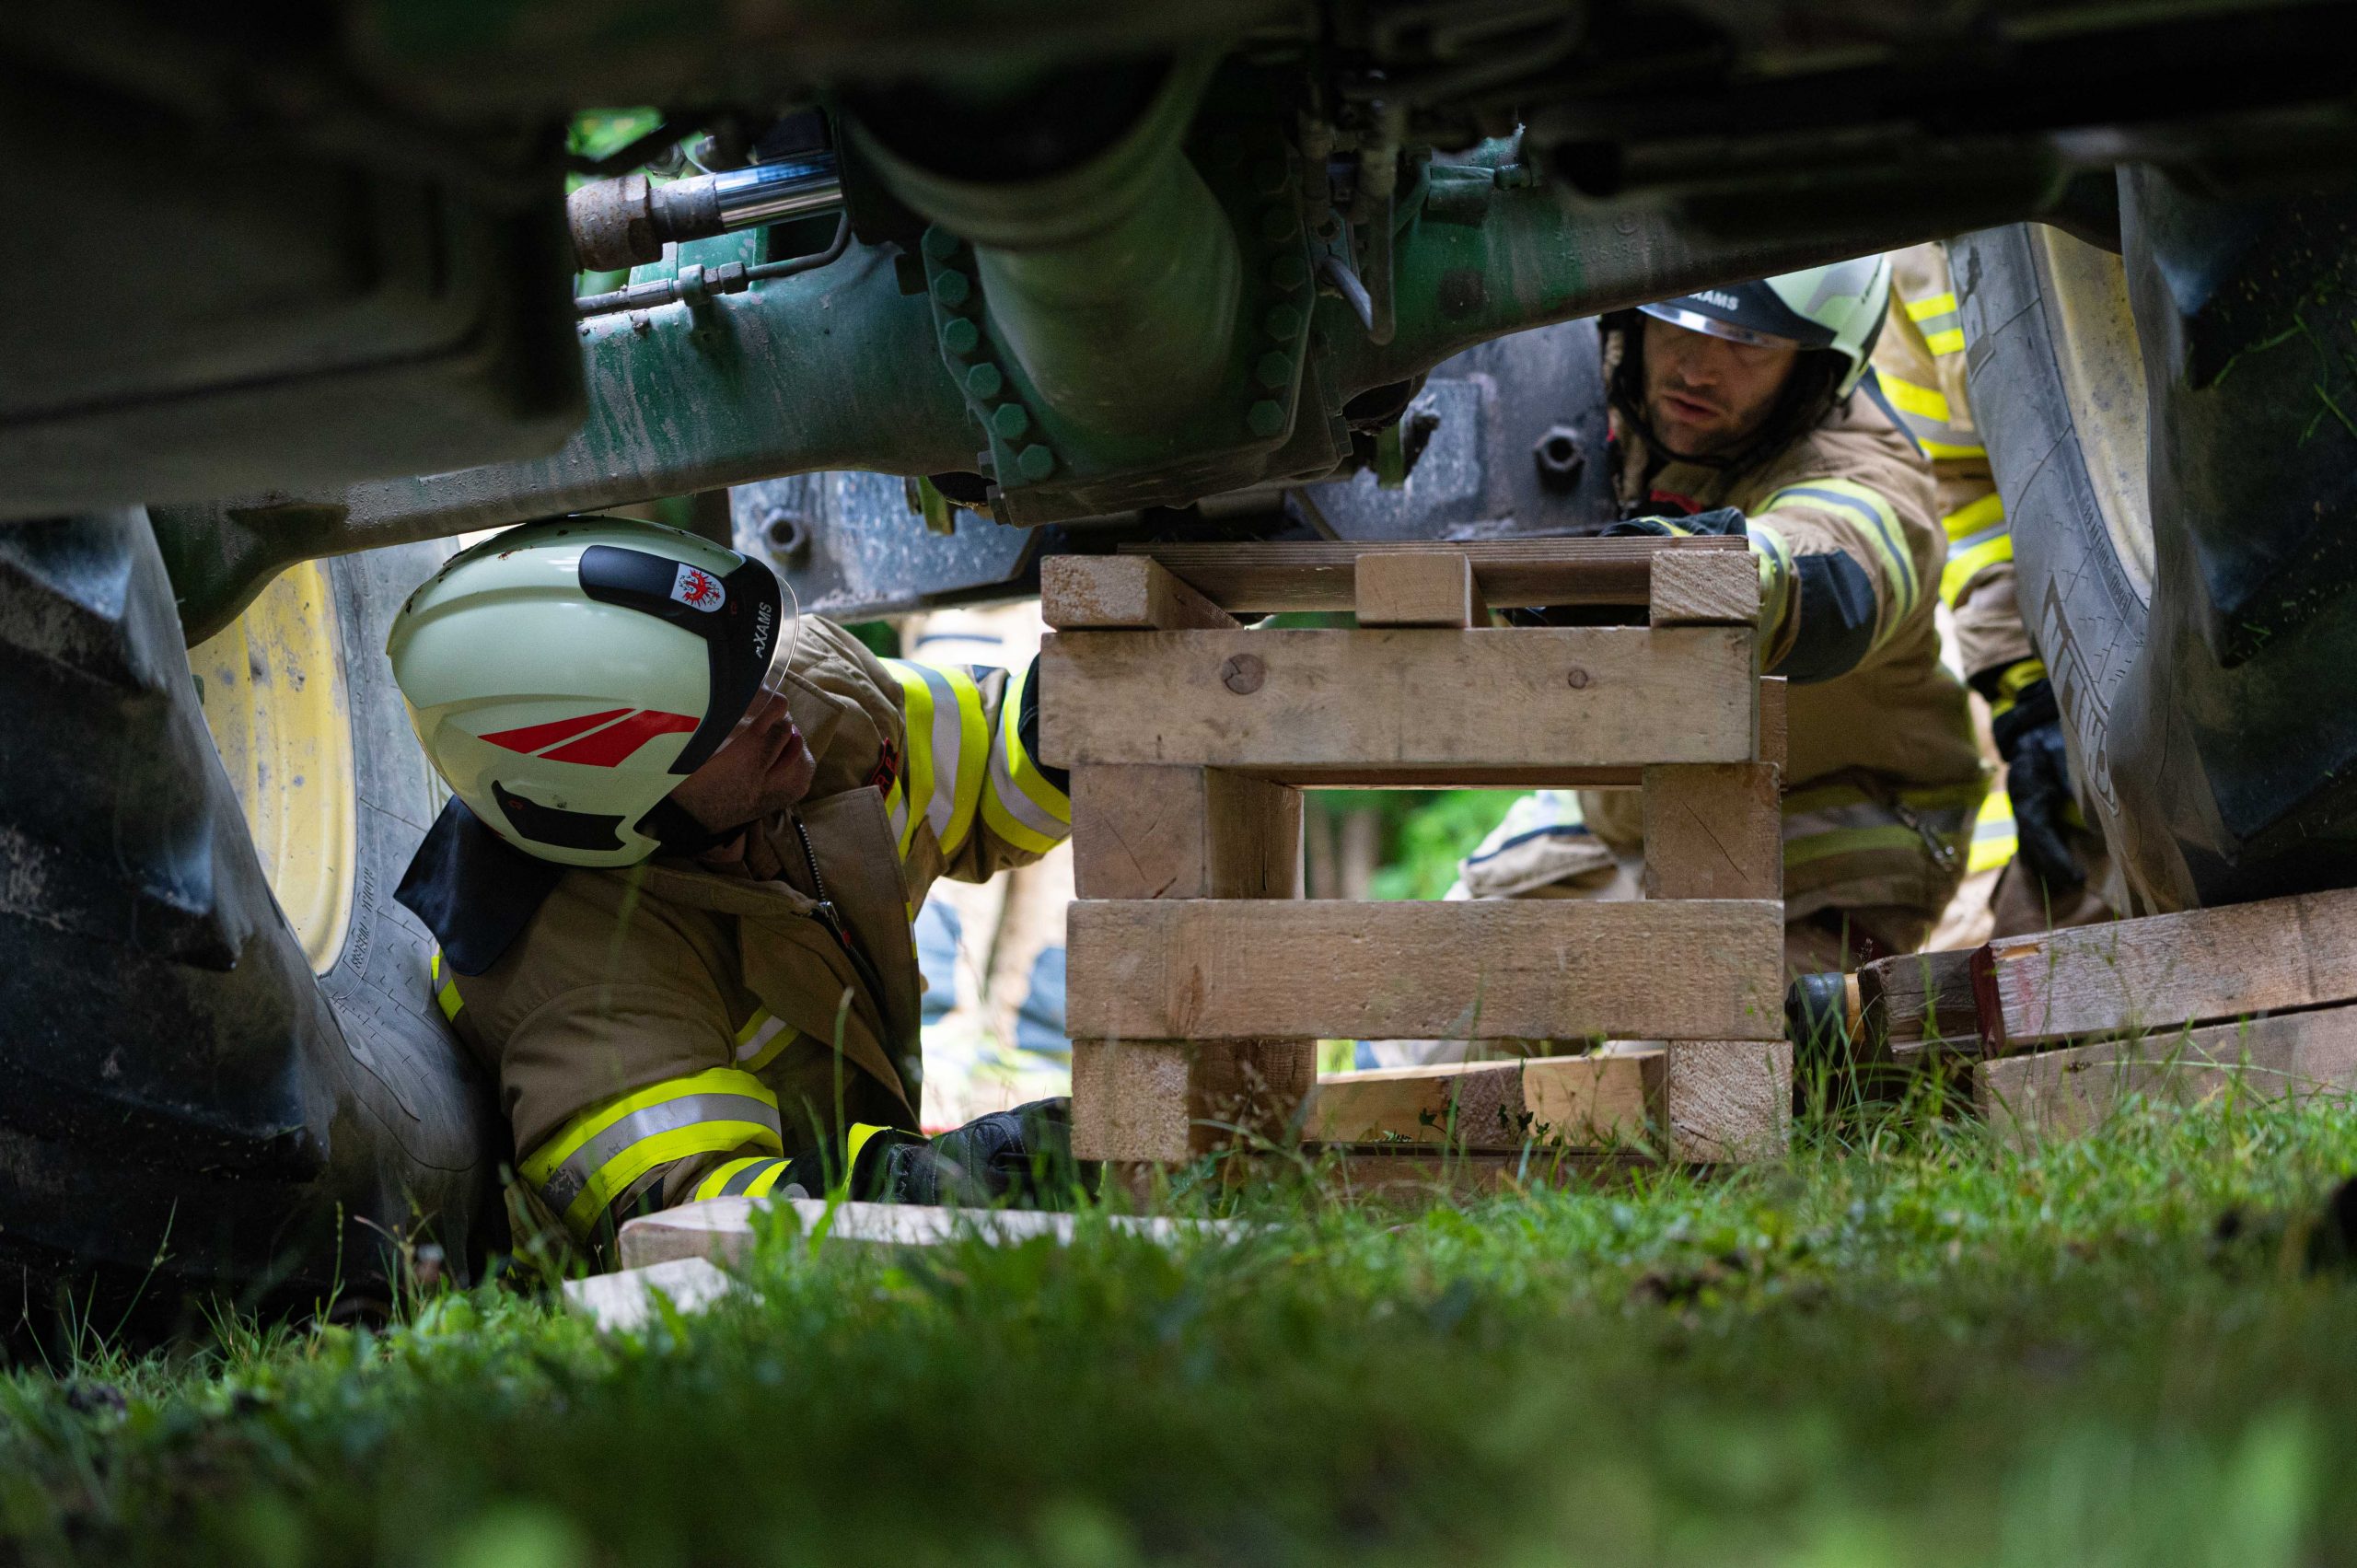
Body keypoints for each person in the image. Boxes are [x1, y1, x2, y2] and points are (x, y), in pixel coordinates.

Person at [387, 517, 1076, 1260]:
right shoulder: (574, 977)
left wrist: (1082, 717)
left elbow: (985, 763)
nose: (775, 705)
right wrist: (948, 1178)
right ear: (616, 798)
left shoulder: (801, 703)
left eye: (757, 663)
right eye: (723, 714)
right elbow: (696, 1223)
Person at [1490, 257, 1989, 972]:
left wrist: (1687, 571)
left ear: (1815, 365)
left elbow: (1826, 569)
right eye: (1676, 323)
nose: (1697, 368)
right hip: (1630, 822)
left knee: (1688, 1052)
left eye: (1747, 343)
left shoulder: (1867, 468)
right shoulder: (1591, 399)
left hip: (1820, 848)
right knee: (1416, 1011)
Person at [1875, 242, 2117, 934]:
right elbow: (1974, 499)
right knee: (2034, 951)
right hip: (2122, 676)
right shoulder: (1916, 260)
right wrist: (2034, 706)